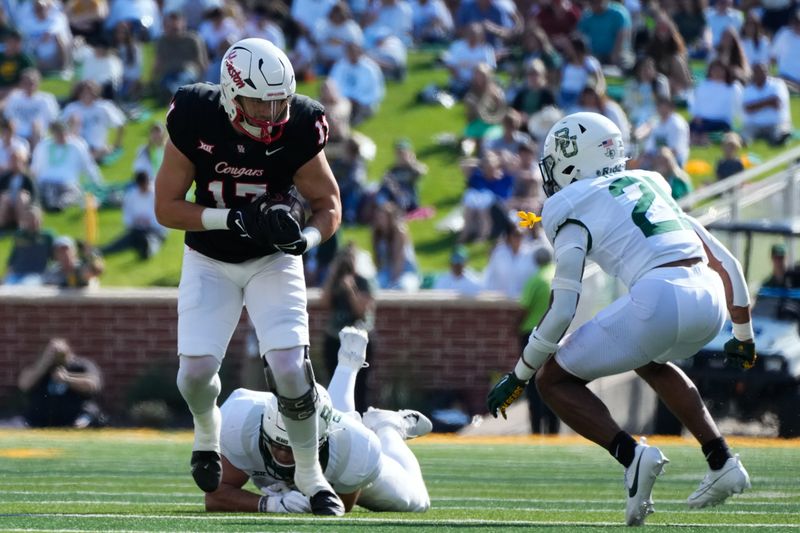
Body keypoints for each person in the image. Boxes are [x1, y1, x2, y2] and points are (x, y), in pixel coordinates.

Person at [487, 112, 754, 526]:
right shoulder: (650, 182)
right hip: (711, 299)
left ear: (573, 162)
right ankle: (721, 459)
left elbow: (562, 309)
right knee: (647, 359)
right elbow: (727, 262)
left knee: (552, 380)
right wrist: (742, 333)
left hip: (660, 297)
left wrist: (520, 374)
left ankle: (632, 456)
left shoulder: (569, 205)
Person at [153, 38, 345, 515]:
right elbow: (166, 208)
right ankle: (205, 433)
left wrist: (309, 241)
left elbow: (329, 205)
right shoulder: (195, 113)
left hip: (271, 259)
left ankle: (310, 474)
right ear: (230, 94)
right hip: (209, 258)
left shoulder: (300, 124)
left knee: (290, 370)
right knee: (195, 375)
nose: (272, 112)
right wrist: (232, 218)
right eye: (260, 101)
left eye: (279, 100)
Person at [206, 327, 431, 514]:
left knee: (418, 502)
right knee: (343, 425)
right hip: (333, 433)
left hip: (335, 467)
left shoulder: (356, 446)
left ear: (320, 441)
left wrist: (303, 497)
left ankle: (388, 426)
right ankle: (348, 364)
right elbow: (214, 496)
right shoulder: (240, 419)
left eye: (292, 447)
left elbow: (341, 506)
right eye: (276, 444)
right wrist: (269, 504)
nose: (283, 455)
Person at [320, 243, 376, 413]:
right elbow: (324, 303)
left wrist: (350, 289)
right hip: (334, 337)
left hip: (358, 340)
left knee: (360, 387)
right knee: (333, 382)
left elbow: (361, 310)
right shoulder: (334, 280)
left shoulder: (363, 280)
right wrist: (332, 276)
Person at [518, 247, 559, 434]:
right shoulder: (558, 277)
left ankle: (536, 430)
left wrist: (514, 327)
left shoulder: (535, 280)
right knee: (553, 381)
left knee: (533, 385)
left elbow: (524, 308)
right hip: (556, 334)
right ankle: (553, 431)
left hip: (532, 335)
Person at [18, 337, 104, 428]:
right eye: (52, 352)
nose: (56, 355)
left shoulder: (81, 365)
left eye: (59, 352)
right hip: (41, 418)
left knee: (83, 422)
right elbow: (24, 385)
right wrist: (44, 363)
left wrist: (67, 379)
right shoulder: (42, 368)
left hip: (76, 416)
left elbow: (93, 384)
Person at [101, 171, 166, 259]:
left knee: (152, 241)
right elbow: (127, 215)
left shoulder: (157, 194)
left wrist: (149, 223)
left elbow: (163, 216)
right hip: (137, 229)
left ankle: (147, 249)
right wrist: (136, 223)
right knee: (121, 243)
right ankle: (101, 251)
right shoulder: (131, 196)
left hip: (154, 231)